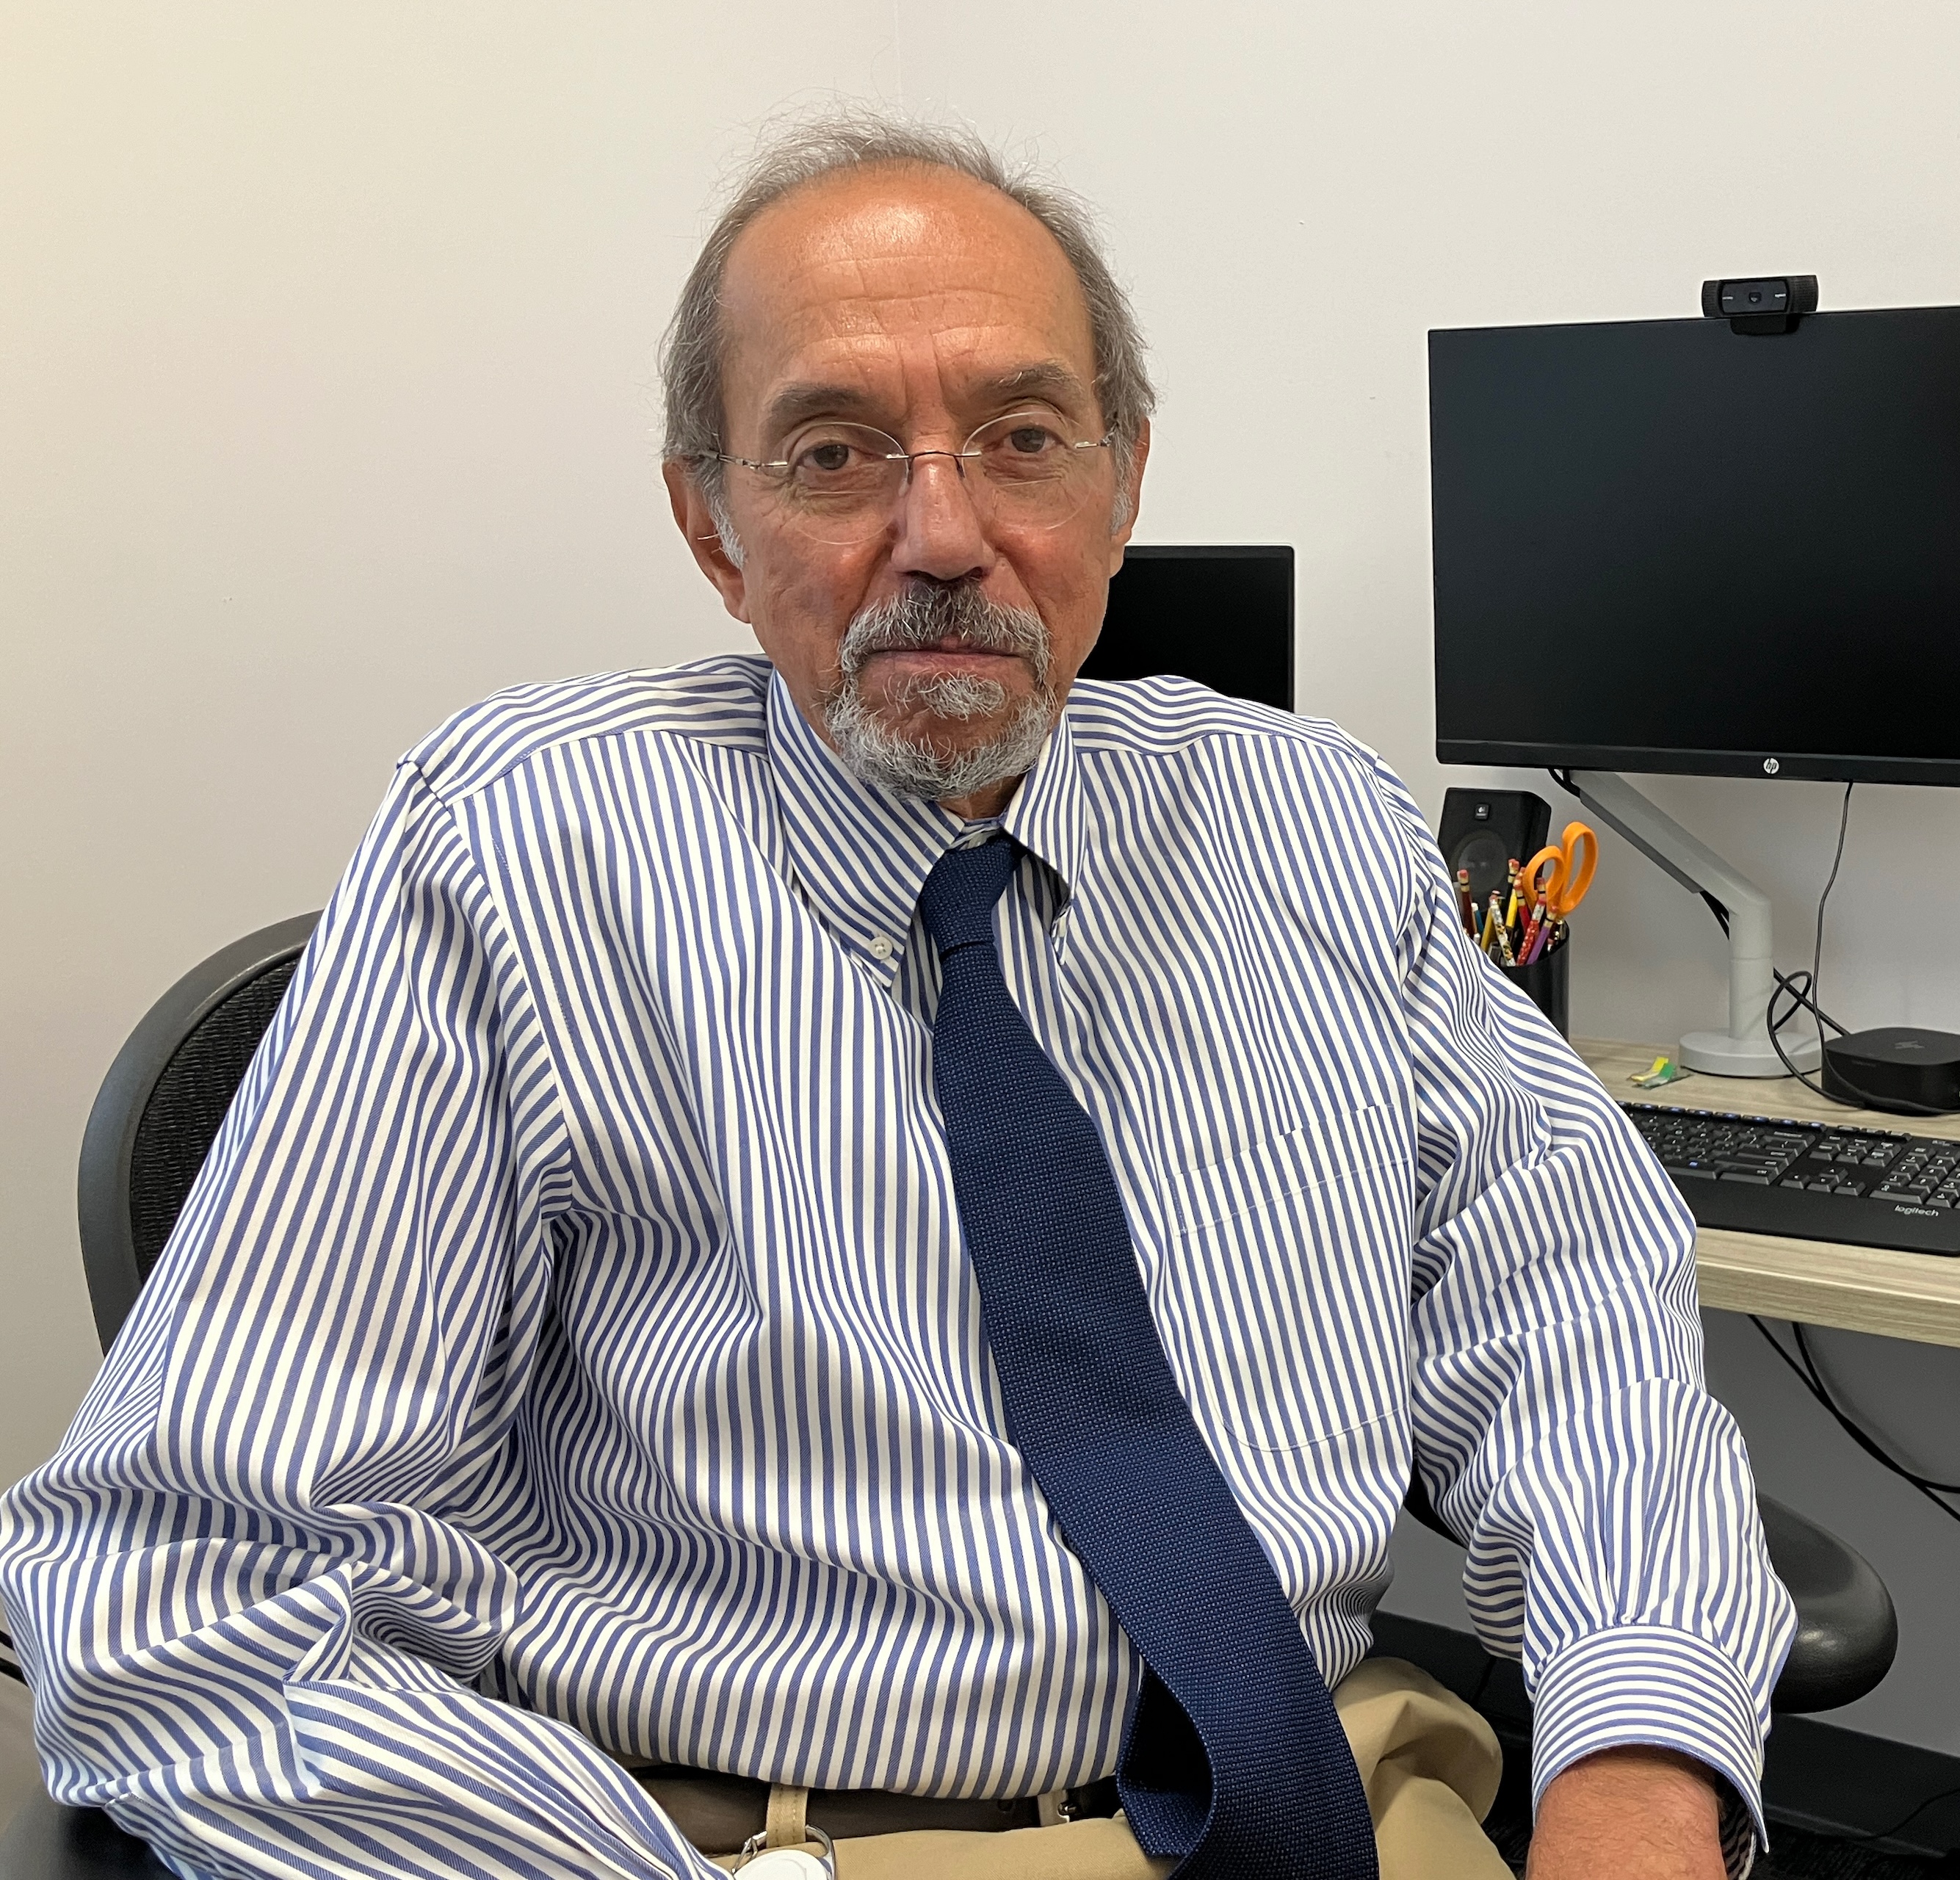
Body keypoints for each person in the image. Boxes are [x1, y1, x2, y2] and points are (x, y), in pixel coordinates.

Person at [0, 115, 1790, 1880]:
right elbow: (181, 1594)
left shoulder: (1310, 814)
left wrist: (1635, 1762)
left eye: (1022, 436)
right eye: (838, 453)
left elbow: (1575, 1317)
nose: (945, 533)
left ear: (1122, 480)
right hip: (768, 1835)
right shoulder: (519, 851)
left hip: (1347, 1780)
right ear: (712, 528)